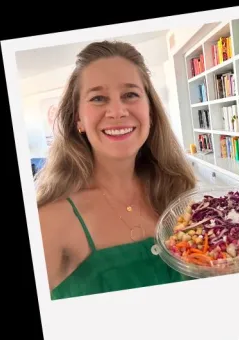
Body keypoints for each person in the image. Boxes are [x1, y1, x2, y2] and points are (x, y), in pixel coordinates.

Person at [35, 40, 197, 300]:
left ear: (150, 110)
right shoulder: (48, 221)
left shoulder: (177, 192)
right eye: (98, 98)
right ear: (79, 120)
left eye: (130, 94)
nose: (117, 111)